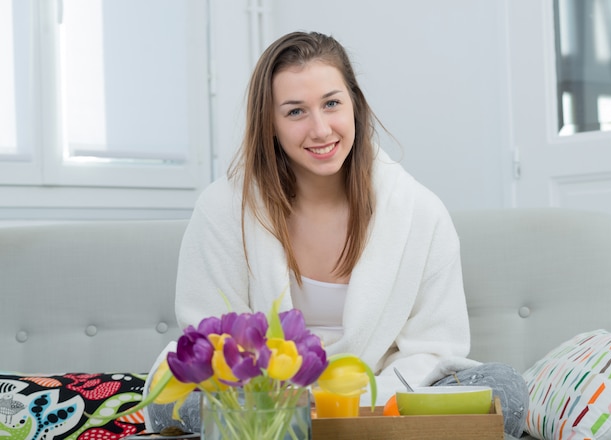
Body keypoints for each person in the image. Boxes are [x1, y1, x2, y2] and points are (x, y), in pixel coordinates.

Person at [163, 31, 528, 438]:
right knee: (176, 402)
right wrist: (281, 398)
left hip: (382, 394)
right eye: (296, 112)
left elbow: (436, 347)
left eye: (332, 104)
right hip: (265, 398)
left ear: (355, 105)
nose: (320, 130)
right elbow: (211, 338)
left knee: (505, 389)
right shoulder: (224, 209)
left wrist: (360, 408)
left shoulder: (417, 211)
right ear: (270, 124)